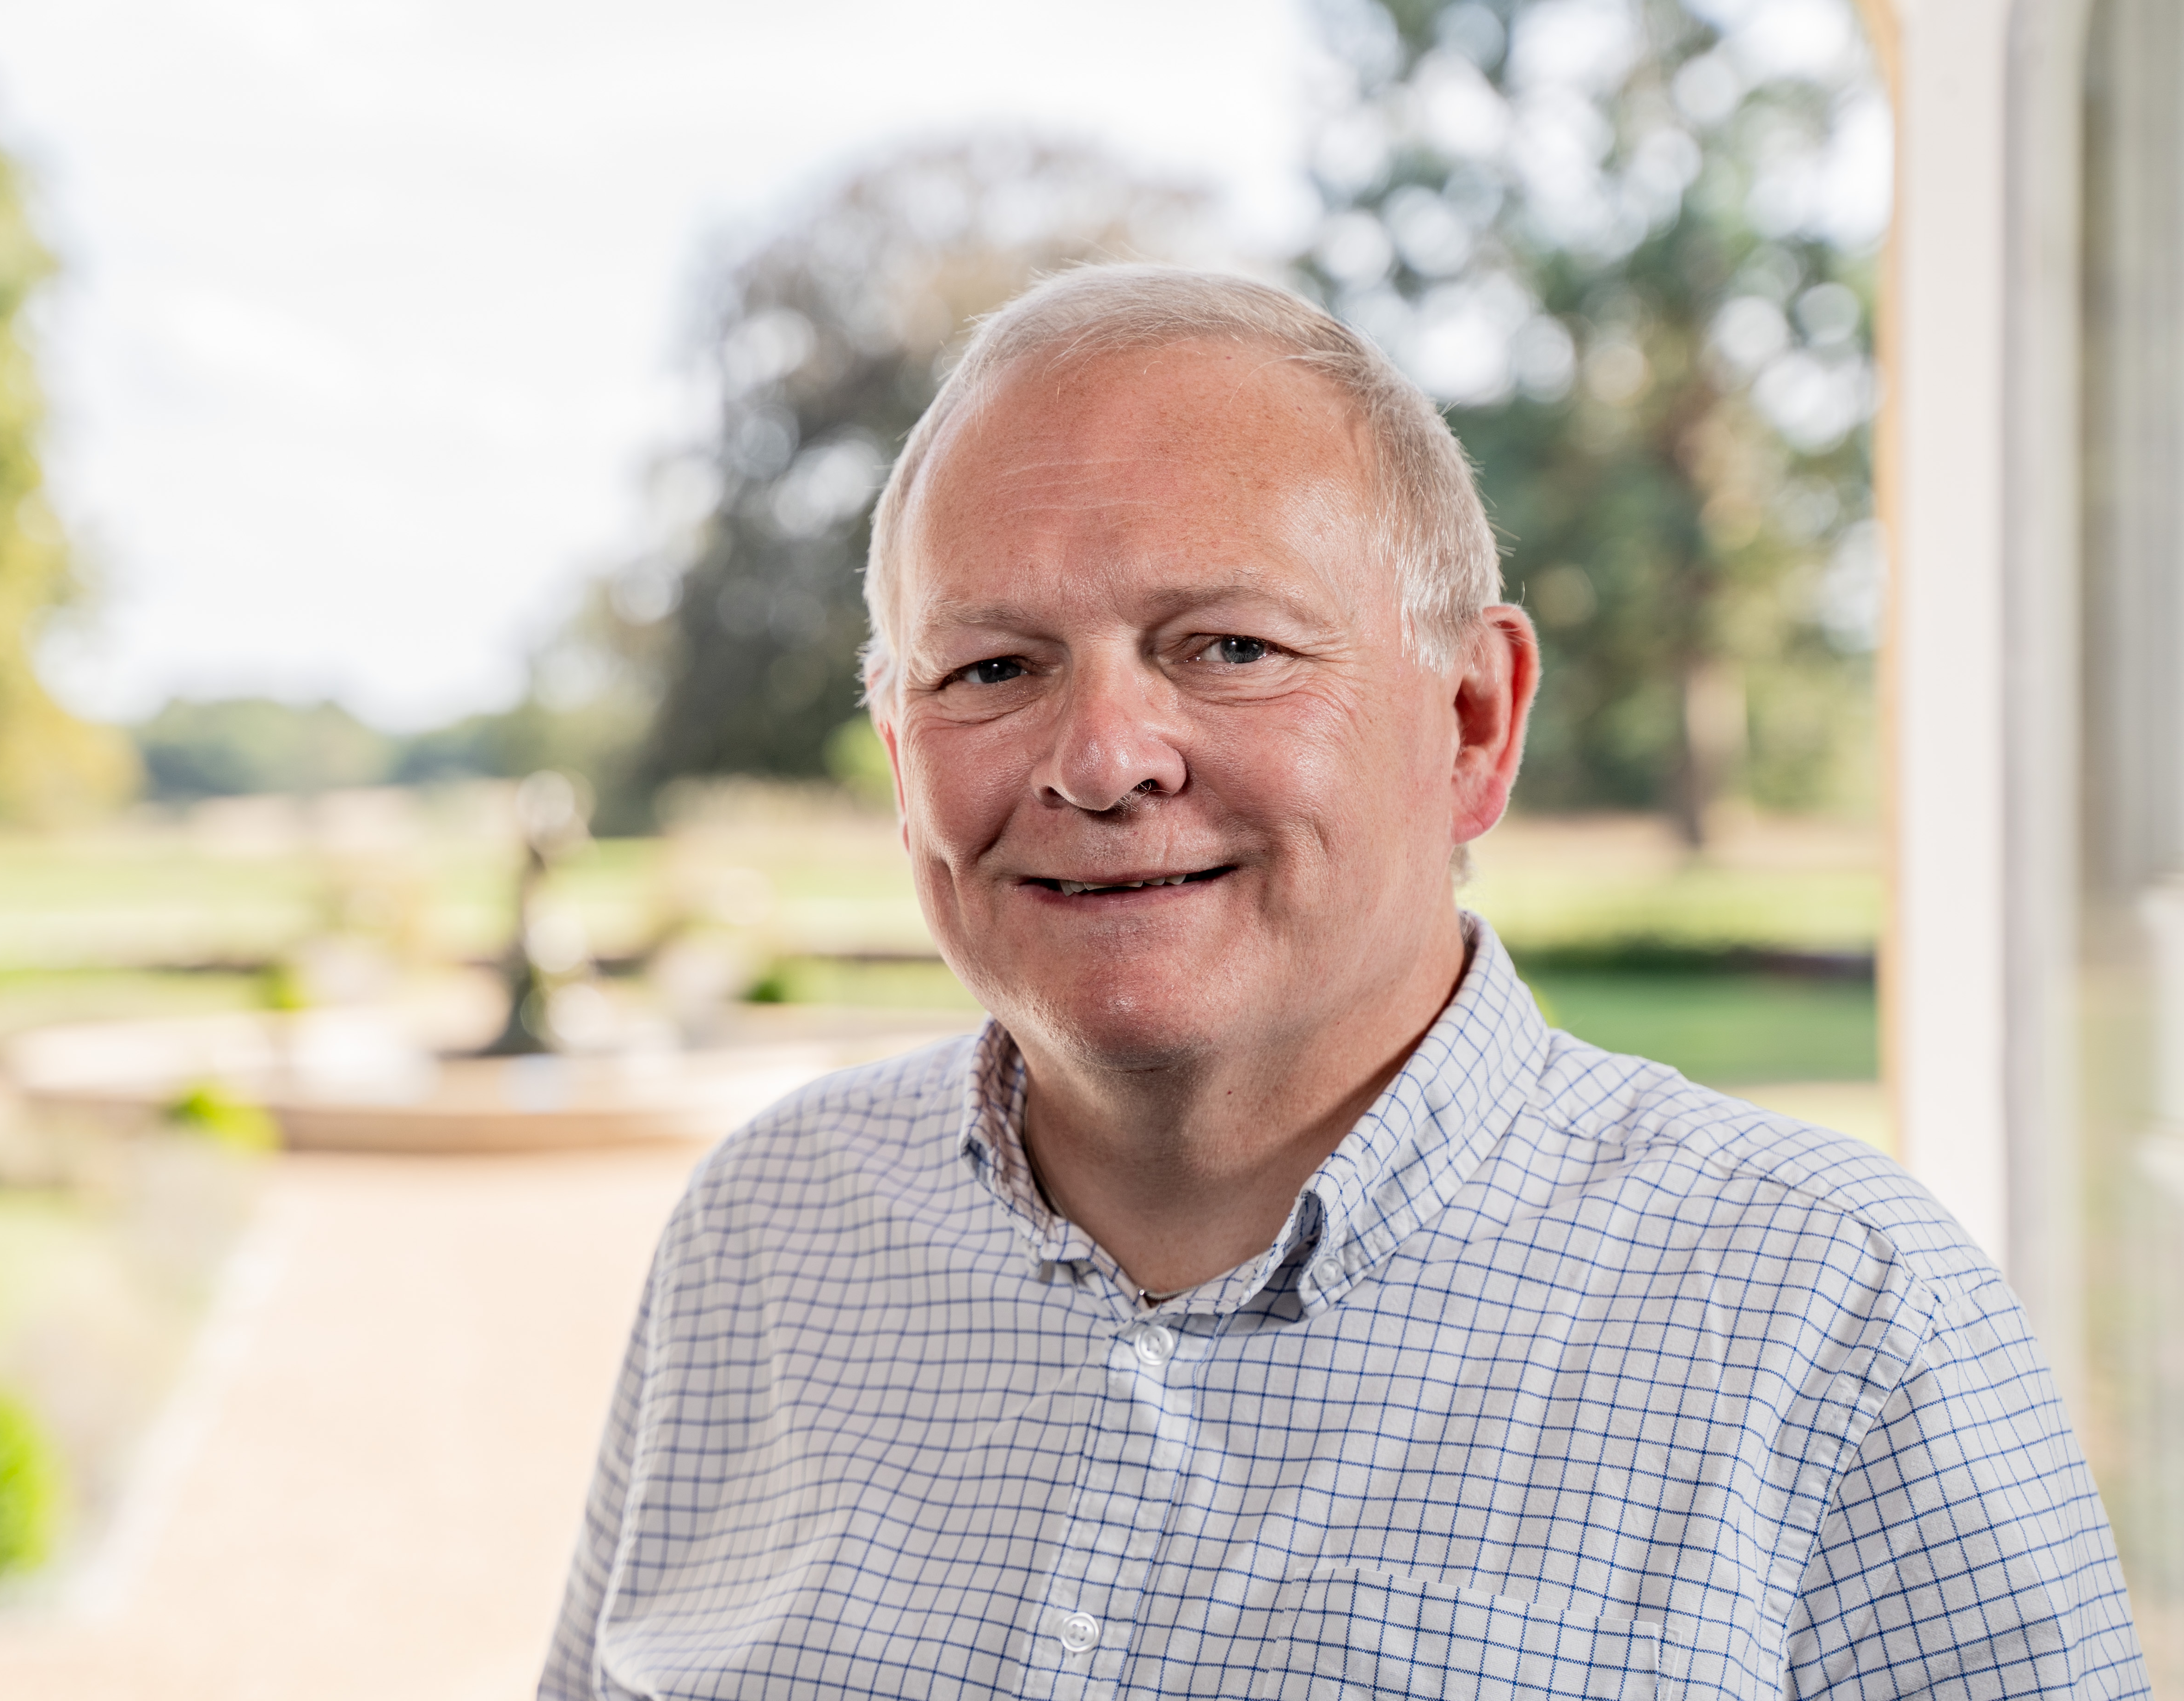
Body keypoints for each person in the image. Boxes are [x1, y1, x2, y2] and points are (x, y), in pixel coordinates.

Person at [540, 267, 2145, 1699]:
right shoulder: (764, 1234)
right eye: (992, 669)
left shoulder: (1844, 1325)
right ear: (904, 766)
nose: (1103, 761)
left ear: (1472, 723)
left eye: (1227, 647)